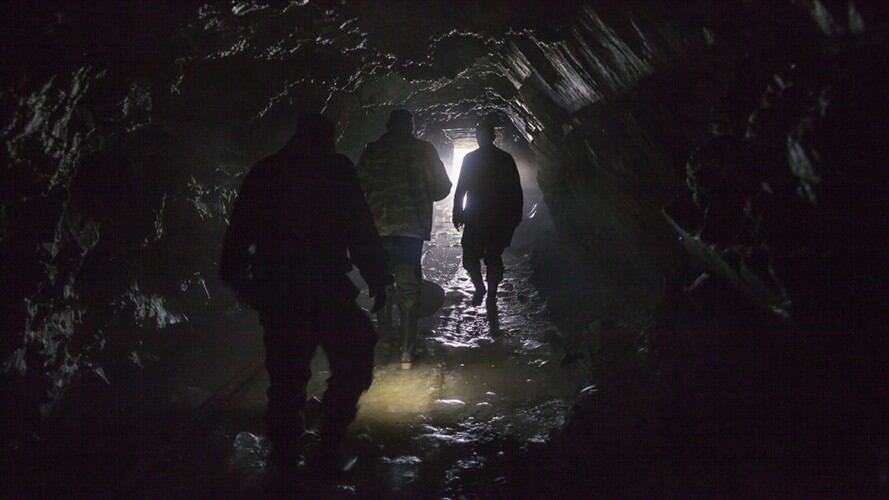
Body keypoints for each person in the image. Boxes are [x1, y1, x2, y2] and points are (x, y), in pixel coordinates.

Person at [219, 113, 392, 470]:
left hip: (279, 290)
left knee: (286, 376)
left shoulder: (266, 171)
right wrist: (377, 275)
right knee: (355, 357)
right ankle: (327, 441)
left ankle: (285, 453)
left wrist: (244, 284)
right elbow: (359, 226)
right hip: (326, 287)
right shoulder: (336, 169)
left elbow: (237, 235)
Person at [356, 109, 452, 369]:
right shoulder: (424, 150)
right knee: (409, 289)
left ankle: (385, 341)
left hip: (378, 230)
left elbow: (357, 187)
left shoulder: (372, 150)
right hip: (410, 231)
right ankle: (406, 353)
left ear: (388, 126)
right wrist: (419, 193)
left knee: (382, 284)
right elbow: (442, 187)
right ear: (411, 126)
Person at [452, 119, 523, 311]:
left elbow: (461, 189)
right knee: (489, 256)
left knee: (475, 256)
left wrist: (457, 212)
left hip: (480, 216)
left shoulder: (473, 159)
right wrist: (516, 215)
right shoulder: (504, 159)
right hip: (493, 217)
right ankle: (486, 291)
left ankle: (485, 291)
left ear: (491, 136)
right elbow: (516, 190)